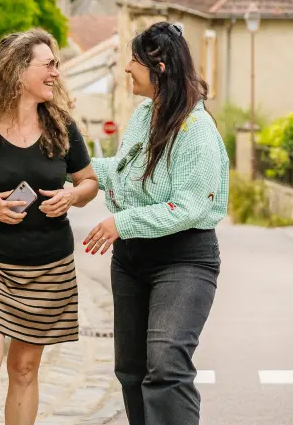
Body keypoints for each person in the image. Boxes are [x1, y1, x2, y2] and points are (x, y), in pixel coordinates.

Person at [0, 28, 99, 425]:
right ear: (17, 71)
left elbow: (89, 182)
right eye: (48, 65)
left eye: (56, 65)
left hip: (48, 266)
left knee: (24, 368)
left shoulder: (62, 127)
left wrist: (72, 196)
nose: (56, 73)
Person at [84, 21, 229, 425]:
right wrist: (67, 165)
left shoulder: (197, 131)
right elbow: (121, 172)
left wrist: (121, 223)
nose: (127, 68)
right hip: (131, 261)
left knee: (166, 365)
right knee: (131, 370)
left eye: (134, 60)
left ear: (159, 67)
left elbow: (187, 207)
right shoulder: (145, 114)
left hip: (183, 260)